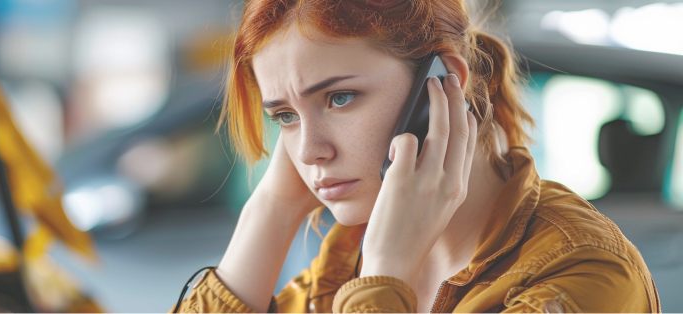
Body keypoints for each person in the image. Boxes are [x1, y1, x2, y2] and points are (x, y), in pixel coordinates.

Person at [171, 0, 661, 313]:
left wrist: (386, 275)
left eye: (339, 98)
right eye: (284, 117)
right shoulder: (344, 259)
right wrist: (272, 209)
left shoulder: (582, 269)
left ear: (439, 84)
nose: (309, 151)